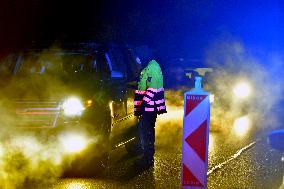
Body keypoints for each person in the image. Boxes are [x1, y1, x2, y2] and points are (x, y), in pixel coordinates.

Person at [134, 58, 167, 169]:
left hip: (149, 107)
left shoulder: (152, 67)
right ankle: (147, 157)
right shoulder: (151, 66)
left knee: (147, 132)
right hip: (148, 107)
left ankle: (148, 159)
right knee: (147, 132)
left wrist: (142, 105)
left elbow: (152, 89)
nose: (137, 62)